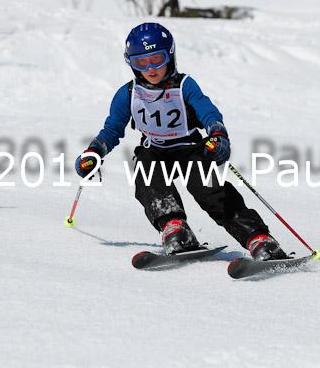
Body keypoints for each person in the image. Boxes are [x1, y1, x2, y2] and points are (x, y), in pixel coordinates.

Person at [75, 22, 288, 261]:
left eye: (157, 59)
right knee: (147, 178)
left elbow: (208, 112)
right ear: (131, 64)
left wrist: (218, 136)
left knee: (212, 193)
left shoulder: (184, 85)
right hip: (153, 150)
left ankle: (258, 239)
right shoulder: (128, 94)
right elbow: (112, 129)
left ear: (171, 56)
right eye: (141, 62)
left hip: (191, 149)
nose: (151, 68)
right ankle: (175, 228)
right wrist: (94, 152)